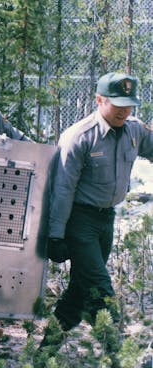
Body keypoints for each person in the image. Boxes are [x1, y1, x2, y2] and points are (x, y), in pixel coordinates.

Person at [42, 72, 153, 352]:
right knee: (101, 289)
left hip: (106, 220)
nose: (124, 111)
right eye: (117, 105)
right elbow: (62, 189)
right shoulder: (79, 137)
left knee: (79, 293)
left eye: (129, 105)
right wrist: (56, 235)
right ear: (99, 100)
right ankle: (123, 354)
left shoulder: (134, 130)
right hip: (80, 222)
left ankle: (43, 354)